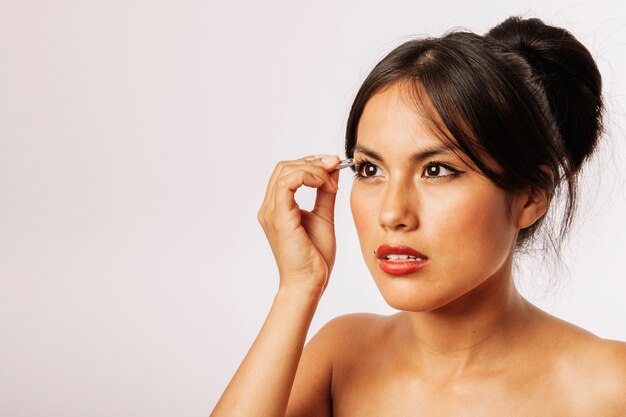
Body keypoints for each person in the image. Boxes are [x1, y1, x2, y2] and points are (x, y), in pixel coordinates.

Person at [211, 16, 626, 416]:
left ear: (530, 197)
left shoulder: (608, 386)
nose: (392, 213)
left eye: (436, 170)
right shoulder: (340, 356)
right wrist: (297, 290)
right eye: (370, 170)